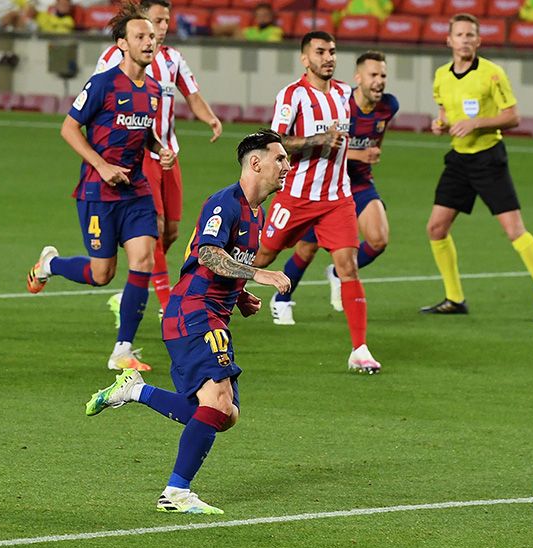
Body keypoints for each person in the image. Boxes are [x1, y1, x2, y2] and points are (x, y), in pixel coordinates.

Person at [84, 129, 293, 515]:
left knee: (224, 415)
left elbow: (206, 265)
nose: (287, 166)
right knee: (217, 401)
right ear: (256, 162)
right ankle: (175, 492)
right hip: (193, 312)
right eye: (280, 159)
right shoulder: (224, 204)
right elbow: (210, 255)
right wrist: (257, 274)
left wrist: (238, 294)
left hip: (211, 311)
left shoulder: (256, 212)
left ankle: (136, 391)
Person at [26, 5, 175, 371]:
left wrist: (160, 149)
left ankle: (122, 348)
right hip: (98, 191)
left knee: (143, 259)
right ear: (123, 44)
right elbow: (69, 128)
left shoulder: (154, 89)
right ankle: (51, 264)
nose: (149, 42)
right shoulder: (103, 83)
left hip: (136, 190)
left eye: (152, 37)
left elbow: (143, 134)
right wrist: (102, 165)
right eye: (140, 37)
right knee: (101, 274)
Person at [423, 14, 533, 321]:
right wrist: (440, 123)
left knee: (514, 231)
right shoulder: (441, 75)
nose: (465, 39)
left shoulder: (492, 74)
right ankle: (455, 298)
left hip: (488, 158)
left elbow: (513, 117)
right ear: (449, 40)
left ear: (478, 41)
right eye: (459, 34)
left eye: (471, 34)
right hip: (458, 160)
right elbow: (445, 111)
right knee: (436, 228)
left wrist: (476, 123)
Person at [260, 31, 382, 374]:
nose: (328, 57)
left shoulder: (345, 93)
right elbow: (275, 141)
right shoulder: (293, 95)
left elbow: (370, 109)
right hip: (296, 196)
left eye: (332, 51)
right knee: (262, 256)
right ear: (305, 58)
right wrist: (318, 138)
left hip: (336, 199)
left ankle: (359, 349)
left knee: (348, 266)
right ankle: (205, 300)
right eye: (320, 52)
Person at [94, 0, 223, 321]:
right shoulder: (115, 58)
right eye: (157, 21)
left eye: (166, 21)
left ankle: (129, 293)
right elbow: (98, 95)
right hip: (139, 157)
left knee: (172, 232)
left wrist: (210, 118)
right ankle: (168, 304)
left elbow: (192, 94)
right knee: (156, 229)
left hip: (168, 152)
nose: (162, 28)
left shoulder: (173, 59)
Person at [269, 51, 398, 320]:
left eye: (383, 75)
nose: (379, 81)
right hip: (322, 183)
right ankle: (281, 298)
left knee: (378, 239)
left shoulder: (388, 106)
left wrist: (369, 156)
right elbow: (329, 142)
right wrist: (359, 154)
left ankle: (339, 272)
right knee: (306, 248)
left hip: (359, 183)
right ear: (358, 78)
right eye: (373, 75)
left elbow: (375, 137)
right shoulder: (339, 101)